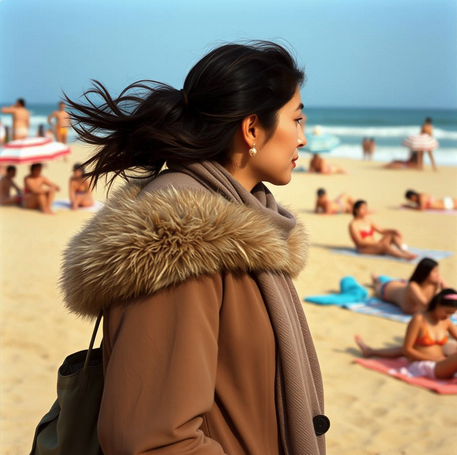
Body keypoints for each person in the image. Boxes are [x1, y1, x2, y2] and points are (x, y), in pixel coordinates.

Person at [59, 42, 328, 455]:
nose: (304, 138)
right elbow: (152, 440)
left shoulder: (243, 225)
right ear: (253, 128)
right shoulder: (181, 242)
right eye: (298, 119)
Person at [355, 289, 457, 380]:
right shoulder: (419, 320)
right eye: (447, 312)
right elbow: (406, 350)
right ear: (437, 304)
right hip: (424, 365)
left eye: (451, 314)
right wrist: (433, 359)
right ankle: (370, 351)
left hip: (440, 364)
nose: (448, 316)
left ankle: (370, 351)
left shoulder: (446, 321)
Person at [371, 258, 448, 314]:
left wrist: (444, 284)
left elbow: (452, 295)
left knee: (397, 282)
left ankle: (379, 277)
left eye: (437, 271)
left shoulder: (434, 282)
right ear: (425, 273)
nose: (438, 274)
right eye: (435, 272)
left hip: (402, 286)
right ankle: (375, 277)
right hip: (387, 290)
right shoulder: (413, 286)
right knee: (377, 285)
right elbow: (426, 305)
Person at [349, 200, 417, 260]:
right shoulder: (353, 224)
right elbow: (360, 242)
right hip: (364, 249)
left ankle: (406, 251)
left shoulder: (368, 220)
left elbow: (381, 231)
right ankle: (403, 256)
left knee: (392, 235)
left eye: (366, 208)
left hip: (376, 245)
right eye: (363, 208)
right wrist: (377, 244)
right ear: (356, 210)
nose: (365, 210)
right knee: (384, 245)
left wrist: (393, 230)